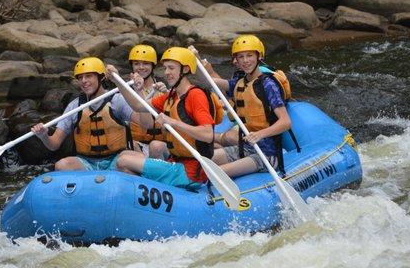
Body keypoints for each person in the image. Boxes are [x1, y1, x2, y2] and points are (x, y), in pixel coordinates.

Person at [106, 47, 222, 188]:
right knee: (123, 157)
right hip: (175, 162)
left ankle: (155, 190)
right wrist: (117, 80)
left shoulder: (195, 95)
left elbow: (208, 134)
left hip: (191, 172)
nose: (166, 73)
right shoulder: (171, 97)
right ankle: (151, 196)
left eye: (171, 68)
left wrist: (173, 122)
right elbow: (138, 105)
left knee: (123, 161)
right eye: (165, 68)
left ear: (185, 69)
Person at [195, 35, 292, 177]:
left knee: (217, 173)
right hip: (245, 148)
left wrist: (259, 134)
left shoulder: (268, 85)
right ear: (236, 60)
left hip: (266, 155)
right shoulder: (239, 82)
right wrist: (196, 59)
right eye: (241, 57)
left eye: (250, 55)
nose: (245, 61)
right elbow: (209, 81)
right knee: (201, 162)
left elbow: (285, 122)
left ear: (259, 56)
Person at [31, 57, 143, 171]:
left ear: (101, 77)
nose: (83, 80)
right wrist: (43, 136)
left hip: (116, 159)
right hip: (86, 162)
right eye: (80, 77)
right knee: (61, 165)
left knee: (131, 163)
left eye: (89, 76)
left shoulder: (116, 100)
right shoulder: (75, 106)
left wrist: (139, 91)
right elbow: (54, 144)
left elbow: (142, 122)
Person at [127, 44, 169, 159]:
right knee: (131, 145)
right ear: (132, 66)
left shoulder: (164, 87)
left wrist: (167, 95)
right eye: (136, 64)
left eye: (145, 63)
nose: (141, 67)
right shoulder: (125, 91)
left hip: (162, 145)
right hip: (137, 145)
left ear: (153, 65)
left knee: (156, 146)